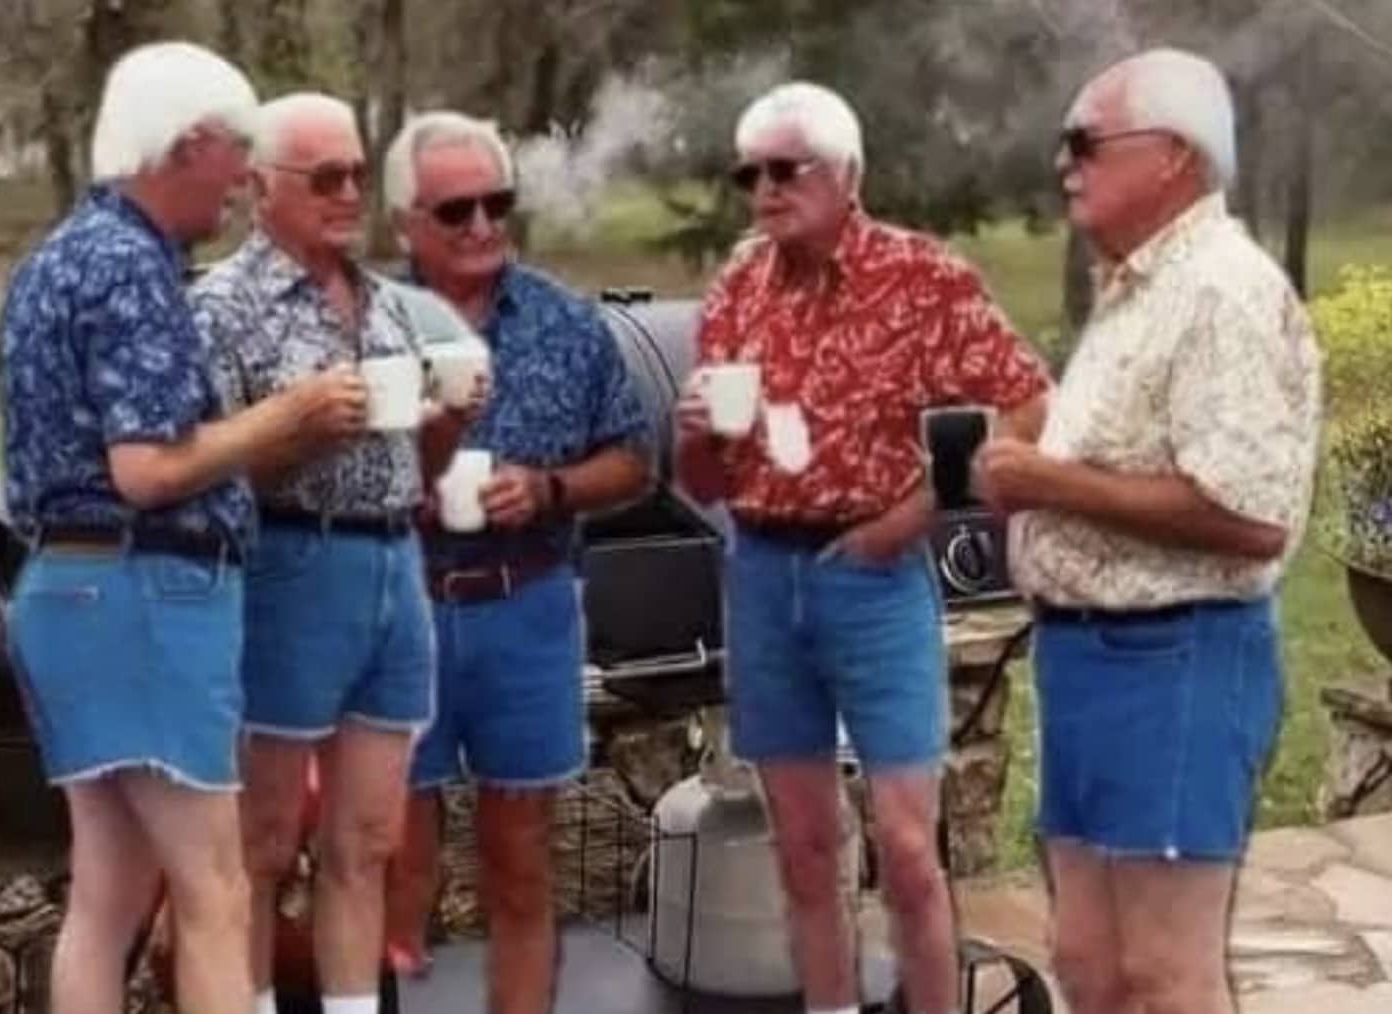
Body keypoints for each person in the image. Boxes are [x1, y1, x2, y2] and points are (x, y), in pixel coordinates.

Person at [673, 82, 1050, 1014]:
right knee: (803, 848)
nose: (764, 189)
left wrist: (919, 513)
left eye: (785, 168)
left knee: (909, 851)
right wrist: (694, 436)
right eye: (749, 173)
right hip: (763, 576)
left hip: (874, 580)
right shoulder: (736, 290)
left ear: (848, 176)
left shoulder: (919, 278)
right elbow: (708, 482)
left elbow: (1027, 401)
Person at [977, 49, 1321, 1014]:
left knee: (1166, 976)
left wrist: (1049, 479)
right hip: (1089, 661)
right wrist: (1034, 452)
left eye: (1086, 142)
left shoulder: (1219, 290)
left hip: (1175, 661)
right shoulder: (1141, 290)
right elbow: (1129, 457)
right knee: (1089, 963)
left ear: (1173, 154)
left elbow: (1250, 517)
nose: (1064, 162)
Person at [0, 41, 299, 1014]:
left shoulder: (53, 260)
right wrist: (282, 419)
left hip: (64, 592)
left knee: (106, 894)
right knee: (215, 891)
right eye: (239, 153)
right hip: (147, 595)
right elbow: (148, 469)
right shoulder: (132, 267)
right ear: (191, 142)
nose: (247, 179)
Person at [190, 92, 467, 1014]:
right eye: (326, 177)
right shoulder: (221, 309)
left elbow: (415, 466)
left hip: (394, 567)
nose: (350, 192)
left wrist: (446, 423)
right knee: (263, 842)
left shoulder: (387, 302)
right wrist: (297, 430)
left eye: (358, 172)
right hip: (289, 569)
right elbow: (195, 475)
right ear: (261, 187)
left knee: (367, 842)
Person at [377, 110, 651, 1014]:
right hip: (401, 612)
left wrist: (550, 489)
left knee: (522, 866)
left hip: (527, 606)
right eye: (456, 210)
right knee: (393, 866)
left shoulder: (566, 321)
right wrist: (395, 489)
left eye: (496, 203)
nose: (483, 225)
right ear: (406, 223)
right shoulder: (369, 325)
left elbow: (634, 459)